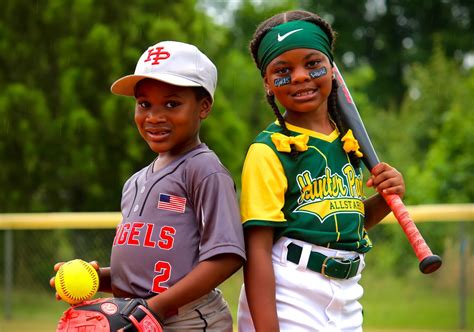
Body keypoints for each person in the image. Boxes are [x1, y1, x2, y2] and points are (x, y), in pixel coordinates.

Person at [51, 40, 245, 331]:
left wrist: (152, 309)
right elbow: (150, 271)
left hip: (189, 320)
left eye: (171, 103)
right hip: (143, 317)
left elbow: (227, 256)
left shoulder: (203, 169)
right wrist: (99, 278)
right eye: (144, 104)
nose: (154, 116)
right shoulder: (134, 182)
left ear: (203, 106)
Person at [237, 10, 405, 332]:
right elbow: (257, 249)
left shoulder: (347, 142)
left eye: (313, 64)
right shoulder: (268, 149)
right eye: (283, 70)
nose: (300, 76)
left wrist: (386, 198)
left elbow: (341, 221)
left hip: (348, 293)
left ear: (332, 71)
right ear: (268, 83)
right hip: (289, 292)